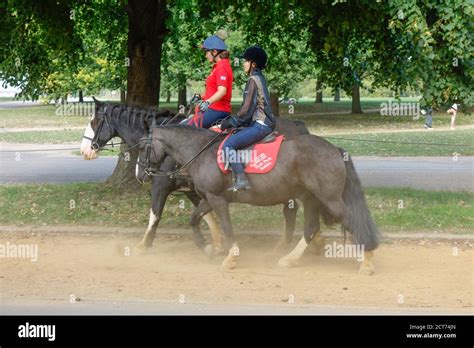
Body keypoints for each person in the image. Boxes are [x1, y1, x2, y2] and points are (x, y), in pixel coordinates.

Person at [220, 45, 276, 191]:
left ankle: (241, 179)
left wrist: (231, 122)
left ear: (253, 64)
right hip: (261, 123)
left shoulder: (253, 80)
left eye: (246, 61)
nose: (243, 64)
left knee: (228, 145)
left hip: (261, 125)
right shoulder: (259, 78)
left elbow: (246, 110)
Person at [191, 30, 233, 128]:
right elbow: (214, 92)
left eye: (206, 52)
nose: (205, 56)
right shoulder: (218, 66)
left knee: (185, 129)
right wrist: (201, 97)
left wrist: (207, 102)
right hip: (214, 109)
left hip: (217, 110)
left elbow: (222, 91)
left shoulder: (222, 67)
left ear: (214, 52)